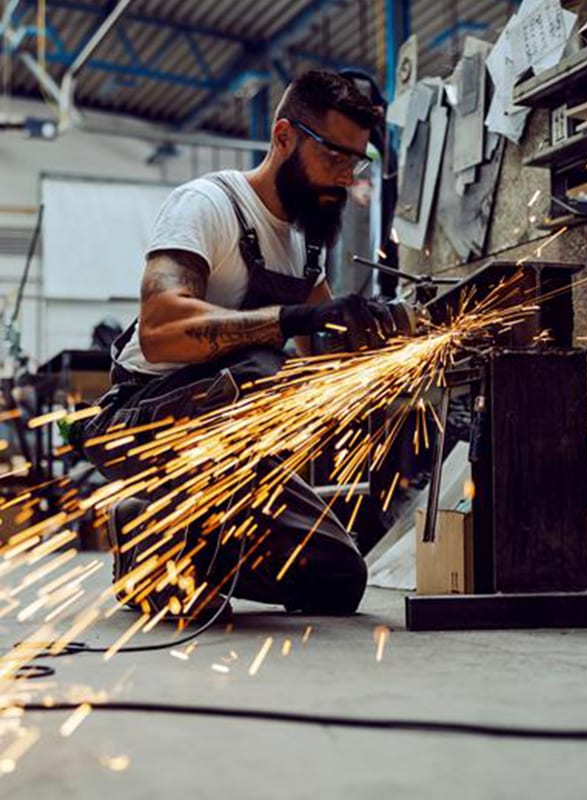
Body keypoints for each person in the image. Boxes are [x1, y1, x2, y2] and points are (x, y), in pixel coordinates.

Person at [78, 70, 402, 623]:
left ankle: (160, 534)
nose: (346, 177)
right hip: (147, 420)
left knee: (337, 578)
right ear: (283, 137)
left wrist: (379, 344)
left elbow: (322, 365)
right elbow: (158, 329)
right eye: (334, 157)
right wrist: (294, 317)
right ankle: (162, 533)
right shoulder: (206, 204)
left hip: (241, 445)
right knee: (255, 369)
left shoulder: (305, 246)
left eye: (356, 163)